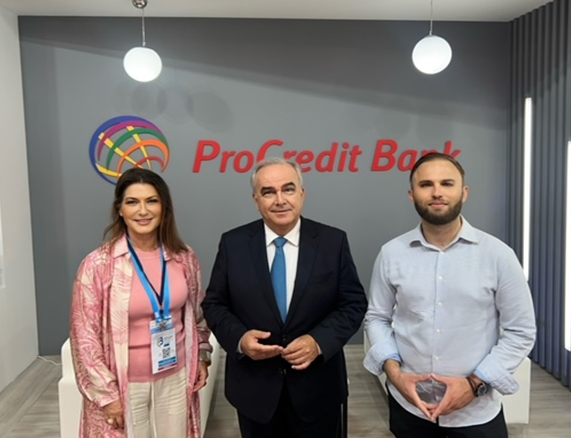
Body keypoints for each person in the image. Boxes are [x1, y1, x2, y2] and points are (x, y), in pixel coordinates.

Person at [364, 153, 536, 438]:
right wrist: (395, 375)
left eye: (447, 183)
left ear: (464, 192)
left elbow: (521, 331)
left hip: (476, 412)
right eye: (426, 185)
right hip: (410, 408)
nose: (437, 192)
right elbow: (377, 318)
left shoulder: (498, 256)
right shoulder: (391, 254)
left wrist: (473, 384)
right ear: (412, 195)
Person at [202, 157, 367, 438]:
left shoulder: (332, 241)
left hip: (318, 391)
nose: (280, 200)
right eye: (268, 192)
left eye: (288, 189)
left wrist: (318, 341)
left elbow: (353, 304)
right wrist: (240, 340)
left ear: (302, 193)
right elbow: (215, 304)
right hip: (256, 392)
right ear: (256, 200)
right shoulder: (233, 243)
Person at [70, 167, 212, 438]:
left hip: (176, 378)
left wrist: (202, 357)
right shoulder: (99, 265)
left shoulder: (184, 258)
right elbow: (84, 337)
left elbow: (197, 316)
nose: (143, 211)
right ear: (120, 209)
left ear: (164, 208)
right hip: (125, 385)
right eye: (133, 202)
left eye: (152, 201)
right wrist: (107, 395)